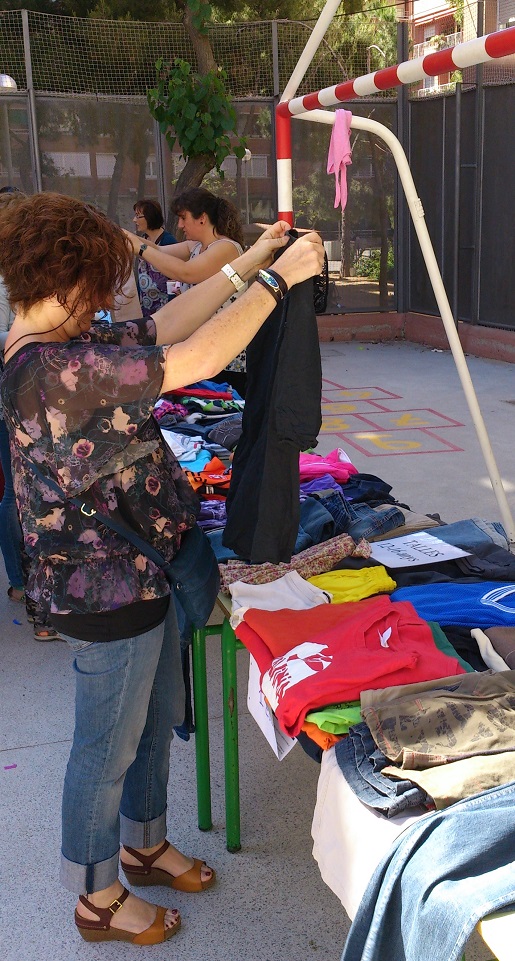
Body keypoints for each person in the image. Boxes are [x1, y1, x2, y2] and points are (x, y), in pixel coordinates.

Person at [0, 191, 324, 946]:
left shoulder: (63, 340)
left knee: (146, 725)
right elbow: (193, 359)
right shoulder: (50, 368)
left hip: (138, 570)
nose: (102, 303)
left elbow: (167, 324)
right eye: (95, 287)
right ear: (66, 278)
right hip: (102, 590)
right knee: (104, 748)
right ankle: (96, 896)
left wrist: (250, 261)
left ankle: (143, 846)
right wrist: (279, 281)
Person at [0, 188, 60, 639]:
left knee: (23, 490)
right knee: (30, 493)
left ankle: (28, 588)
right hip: (15, 390)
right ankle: (32, 591)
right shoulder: (12, 275)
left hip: (21, 388)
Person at [125, 187, 249, 396]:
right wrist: (126, 238)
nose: (180, 225)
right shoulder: (195, 246)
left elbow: (186, 272)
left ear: (202, 218)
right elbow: (159, 250)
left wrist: (139, 247)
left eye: (184, 218)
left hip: (227, 355)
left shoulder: (226, 248)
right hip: (203, 351)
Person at [132, 198, 177, 317]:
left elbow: (176, 275)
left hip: (165, 306)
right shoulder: (143, 239)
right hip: (145, 305)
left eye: (138, 216)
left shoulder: (168, 241)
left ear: (150, 217)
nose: (134, 220)